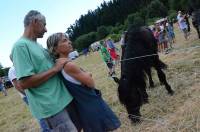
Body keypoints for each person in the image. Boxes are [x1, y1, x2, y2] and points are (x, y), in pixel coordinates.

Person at [11, 10, 80, 132]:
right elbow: (25, 83)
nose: (46, 29)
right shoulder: (20, 46)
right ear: (35, 22)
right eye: (44, 24)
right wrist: (54, 69)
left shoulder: (37, 45)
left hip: (64, 99)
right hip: (52, 107)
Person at [46, 32, 121, 132]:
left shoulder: (58, 64)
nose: (69, 42)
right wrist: (88, 74)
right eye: (64, 41)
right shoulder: (68, 65)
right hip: (91, 105)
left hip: (83, 107)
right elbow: (91, 83)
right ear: (55, 48)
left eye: (68, 39)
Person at [8, 66, 50, 132]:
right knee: (40, 114)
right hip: (27, 96)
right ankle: (46, 130)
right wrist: (28, 95)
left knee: (43, 112)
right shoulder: (12, 70)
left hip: (32, 94)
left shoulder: (20, 66)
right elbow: (17, 85)